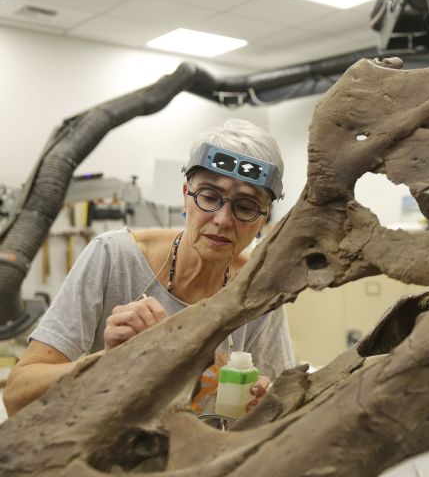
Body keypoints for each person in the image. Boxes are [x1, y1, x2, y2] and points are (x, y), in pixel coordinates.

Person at [3, 119, 295, 418]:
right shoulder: (114, 258)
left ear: (263, 218)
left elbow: (284, 402)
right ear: (186, 196)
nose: (222, 219)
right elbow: (17, 395)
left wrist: (264, 404)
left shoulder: (258, 291)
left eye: (245, 207)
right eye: (209, 197)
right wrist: (111, 361)